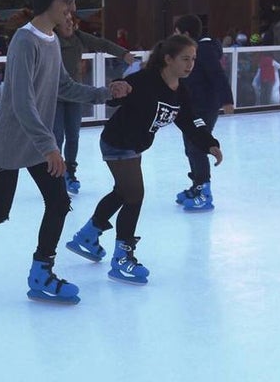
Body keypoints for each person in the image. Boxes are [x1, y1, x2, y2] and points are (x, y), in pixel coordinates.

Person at [0, 0, 131, 306]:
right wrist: (51, 146)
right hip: (13, 141)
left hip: (38, 142)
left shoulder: (52, 40)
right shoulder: (25, 41)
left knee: (58, 202)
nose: (72, 7)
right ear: (47, 1)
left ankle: (41, 273)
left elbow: (63, 87)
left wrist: (105, 94)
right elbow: (22, 102)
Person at [66, 33, 222, 284]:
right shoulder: (147, 80)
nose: (190, 64)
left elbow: (191, 122)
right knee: (135, 195)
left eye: (193, 59)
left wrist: (210, 143)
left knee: (122, 192)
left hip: (135, 145)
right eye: (185, 59)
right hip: (117, 142)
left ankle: (88, 235)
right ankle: (122, 258)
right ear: (168, 59)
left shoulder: (181, 91)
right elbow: (119, 93)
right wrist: (117, 88)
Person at [53, 11, 135, 194]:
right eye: (65, 22)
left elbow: (102, 44)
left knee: (73, 136)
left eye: (71, 22)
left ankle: (70, 173)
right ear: (56, 25)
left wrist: (123, 54)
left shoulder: (79, 37)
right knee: (57, 137)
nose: (69, 25)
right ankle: (56, 175)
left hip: (75, 95)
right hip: (55, 96)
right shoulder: (52, 41)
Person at [173, 15, 233, 211]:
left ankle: (205, 193)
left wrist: (227, 100)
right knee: (190, 147)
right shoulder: (190, 51)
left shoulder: (204, 50)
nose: (175, 36)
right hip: (191, 106)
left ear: (187, 34)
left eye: (177, 32)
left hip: (205, 106)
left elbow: (217, 74)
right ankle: (197, 186)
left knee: (197, 146)